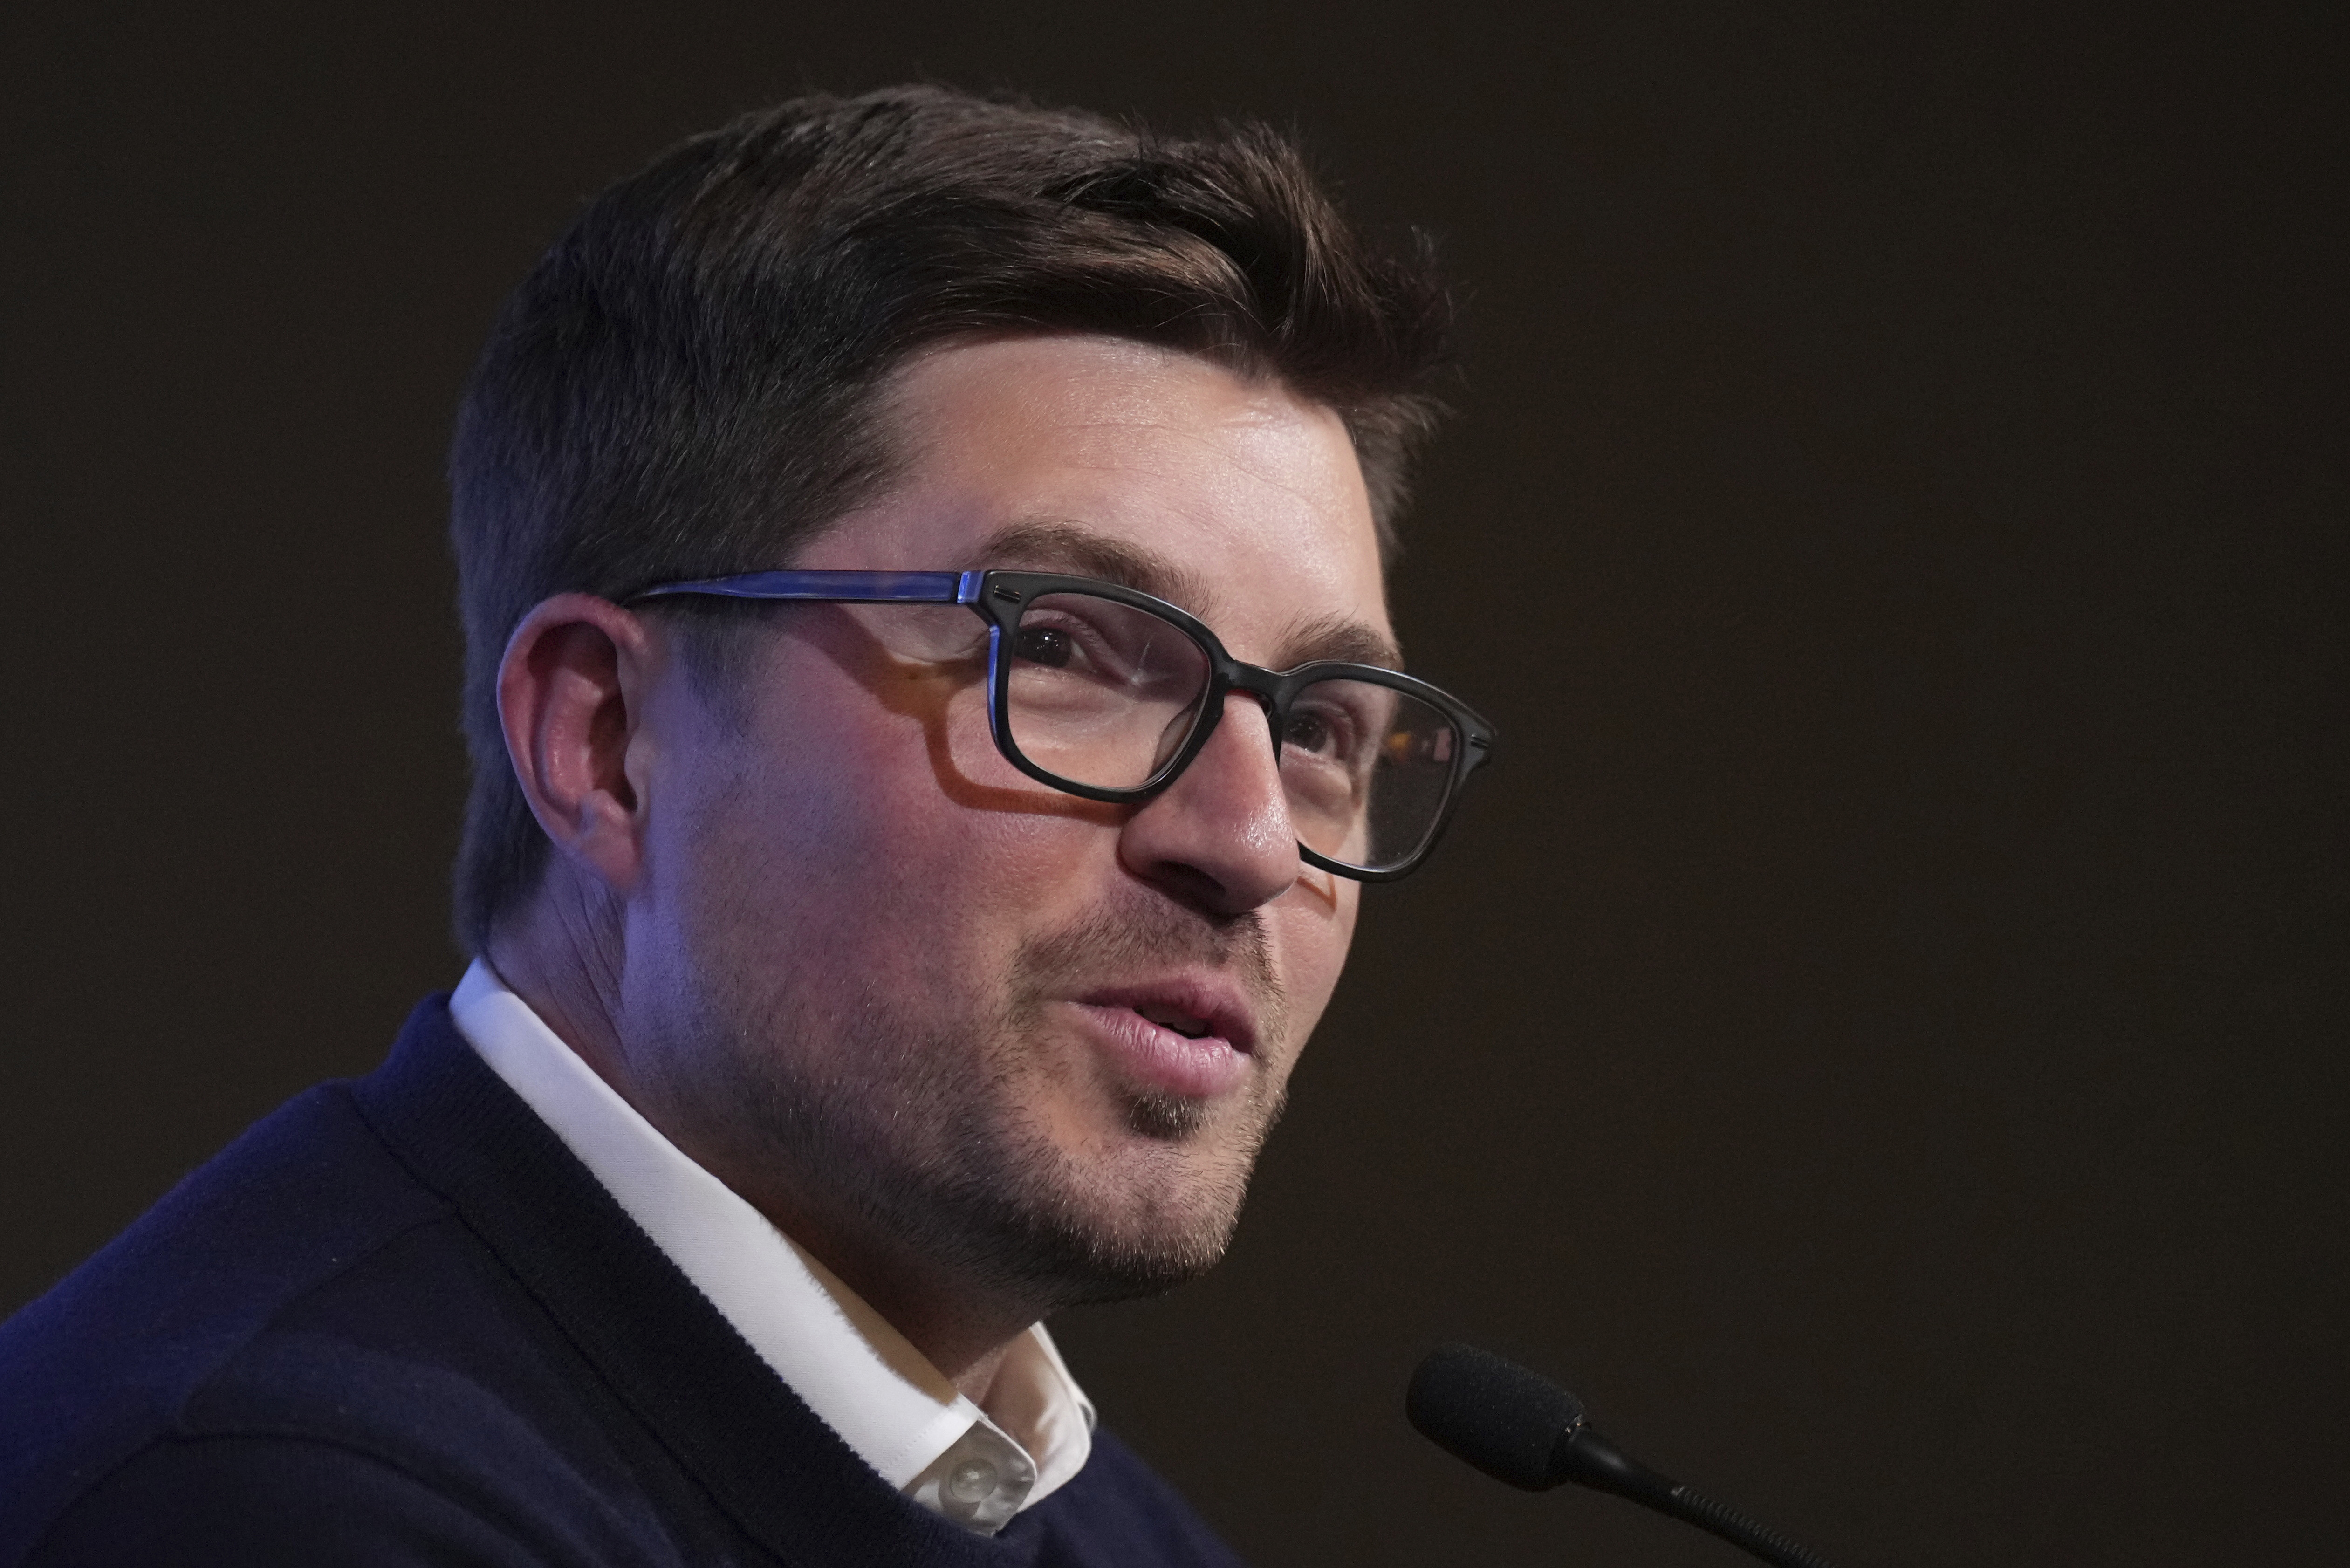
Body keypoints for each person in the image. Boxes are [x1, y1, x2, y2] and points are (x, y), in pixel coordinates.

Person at [0, 85, 1492, 1565]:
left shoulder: (1102, 1536)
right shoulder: (263, 1502)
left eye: (1315, 731)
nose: (1247, 844)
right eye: (1063, 648)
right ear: (607, 744)